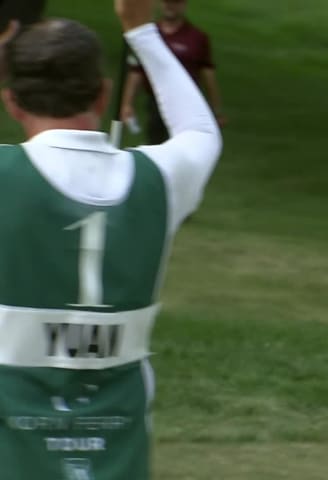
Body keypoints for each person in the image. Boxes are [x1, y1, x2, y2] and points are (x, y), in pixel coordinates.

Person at [0, 0, 221, 478]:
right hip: (119, 459)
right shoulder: (160, 179)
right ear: (103, 95)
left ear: (11, 102)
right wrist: (139, 30)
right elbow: (201, 130)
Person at [120, 0, 224, 145]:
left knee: (185, 146)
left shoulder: (197, 38)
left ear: (184, 5)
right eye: (166, 2)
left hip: (188, 105)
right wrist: (127, 104)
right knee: (156, 144)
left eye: (175, 2)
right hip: (157, 102)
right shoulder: (148, 36)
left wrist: (216, 109)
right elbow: (136, 71)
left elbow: (208, 75)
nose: (170, 6)